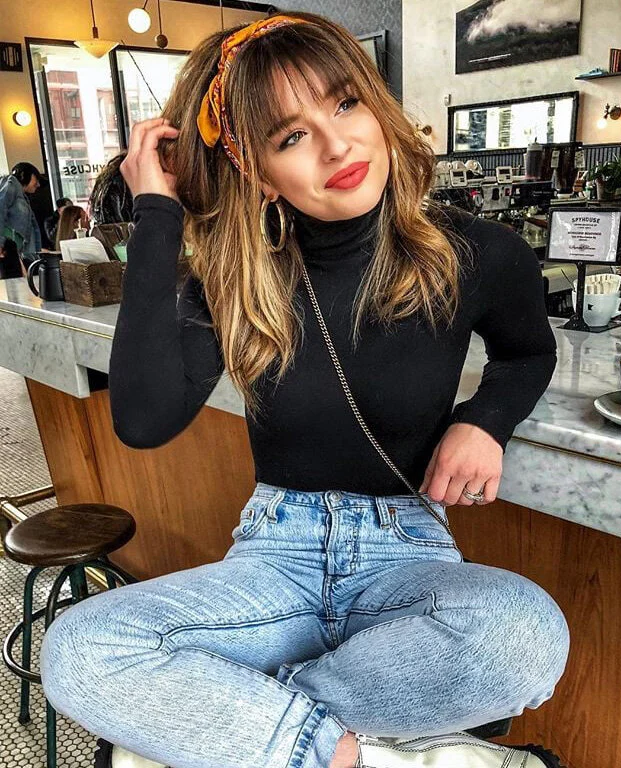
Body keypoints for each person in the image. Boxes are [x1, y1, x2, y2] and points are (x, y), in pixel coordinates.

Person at [39, 13, 570, 768]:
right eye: (290, 136)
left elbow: (528, 352)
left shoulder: (476, 252)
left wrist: (485, 419)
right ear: (255, 171)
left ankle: (272, 730)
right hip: (274, 559)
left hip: (406, 554)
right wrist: (158, 213)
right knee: (79, 650)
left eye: (346, 103)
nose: (337, 145)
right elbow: (144, 418)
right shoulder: (237, 279)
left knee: (525, 634)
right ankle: (347, 750)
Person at [0, 162, 43, 278]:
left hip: (14, 250)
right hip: (7, 248)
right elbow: (1, 208)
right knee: (14, 284)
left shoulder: (21, 195)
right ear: (25, 175)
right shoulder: (12, 184)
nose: (38, 184)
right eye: (36, 178)